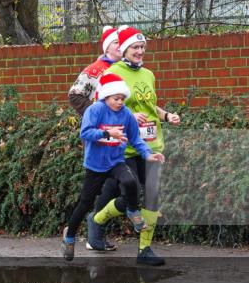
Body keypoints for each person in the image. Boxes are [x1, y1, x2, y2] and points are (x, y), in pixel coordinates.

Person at [93, 26, 180, 266]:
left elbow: (150, 107)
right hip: (126, 148)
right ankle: (99, 219)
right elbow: (101, 108)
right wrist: (129, 116)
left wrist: (166, 116)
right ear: (123, 49)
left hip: (152, 145)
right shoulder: (112, 72)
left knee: (152, 198)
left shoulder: (148, 74)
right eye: (135, 47)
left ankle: (145, 250)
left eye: (142, 47)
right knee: (129, 197)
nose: (140, 51)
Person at [63, 73, 165, 261]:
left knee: (130, 182)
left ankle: (133, 212)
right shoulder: (95, 110)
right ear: (106, 96)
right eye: (116, 99)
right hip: (95, 165)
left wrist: (148, 154)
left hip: (116, 161)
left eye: (122, 99)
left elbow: (135, 139)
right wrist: (108, 133)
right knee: (84, 204)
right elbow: (85, 133)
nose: (120, 102)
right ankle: (69, 237)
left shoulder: (126, 114)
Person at [68, 25, 125, 251]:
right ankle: (93, 232)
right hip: (100, 138)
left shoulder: (125, 68)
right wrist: (98, 119)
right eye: (116, 42)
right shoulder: (95, 69)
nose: (120, 46)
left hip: (122, 137)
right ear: (107, 47)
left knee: (118, 185)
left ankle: (94, 230)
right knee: (104, 185)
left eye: (122, 42)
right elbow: (75, 95)